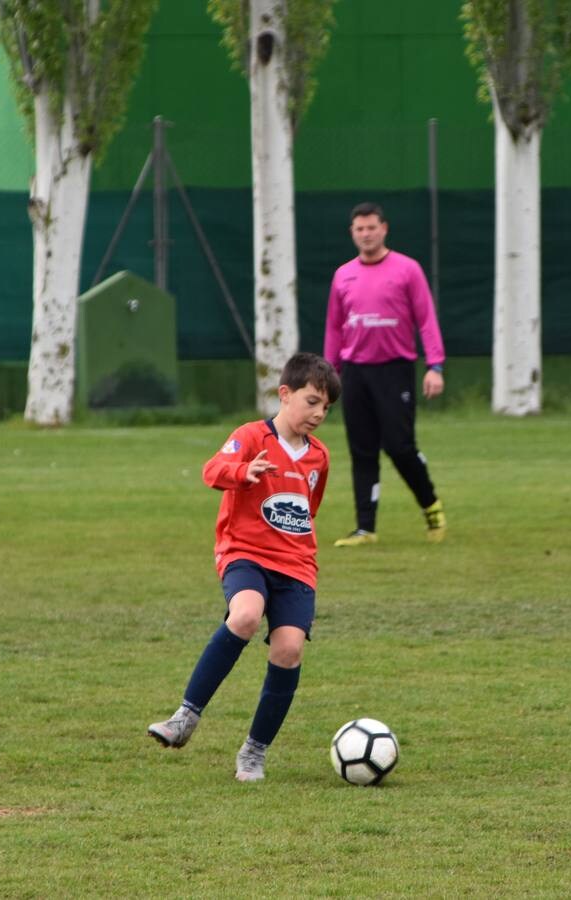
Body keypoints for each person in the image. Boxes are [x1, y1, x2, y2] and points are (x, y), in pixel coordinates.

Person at [147, 352, 341, 783]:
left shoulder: (320, 458)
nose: (319, 413)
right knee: (247, 615)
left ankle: (254, 752)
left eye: (326, 407)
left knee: (289, 649)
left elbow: (309, 511)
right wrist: (242, 472)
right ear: (285, 394)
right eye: (312, 402)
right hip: (245, 552)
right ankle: (185, 717)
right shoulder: (253, 436)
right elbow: (212, 470)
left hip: (296, 563)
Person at [322, 201, 447, 547]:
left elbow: (426, 318)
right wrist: (328, 374)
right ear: (352, 233)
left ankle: (430, 505)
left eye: (371, 227)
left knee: (399, 446)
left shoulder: (407, 270)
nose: (366, 234)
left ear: (384, 229)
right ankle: (365, 527)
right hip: (356, 372)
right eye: (359, 229)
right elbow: (335, 327)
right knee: (362, 450)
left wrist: (435, 366)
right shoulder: (343, 275)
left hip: (395, 370)